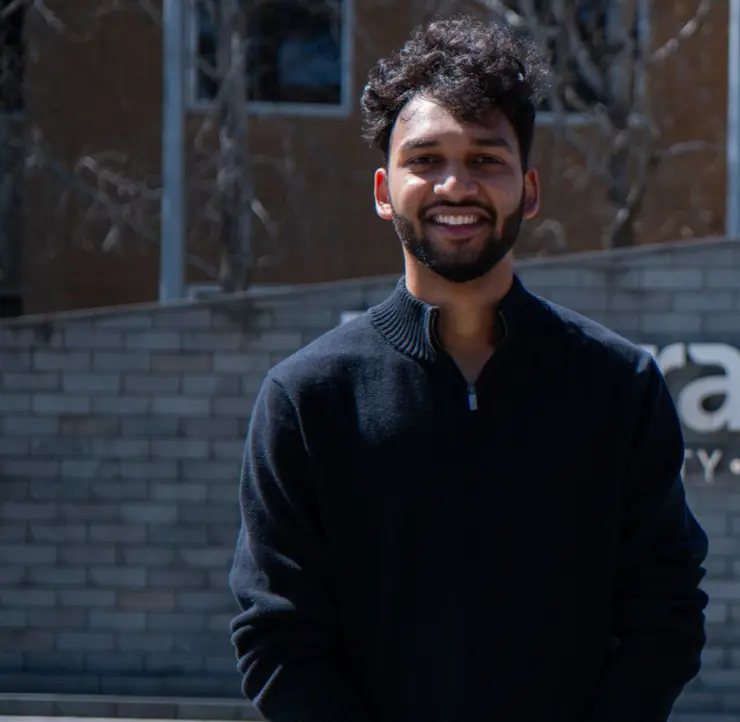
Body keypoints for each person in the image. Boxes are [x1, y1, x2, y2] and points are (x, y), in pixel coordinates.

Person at [227, 16, 709, 722]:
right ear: (384, 190)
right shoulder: (307, 399)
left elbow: (665, 616)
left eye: (486, 159)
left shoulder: (618, 386)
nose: (455, 185)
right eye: (425, 159)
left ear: (530, 190)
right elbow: (276, 637)